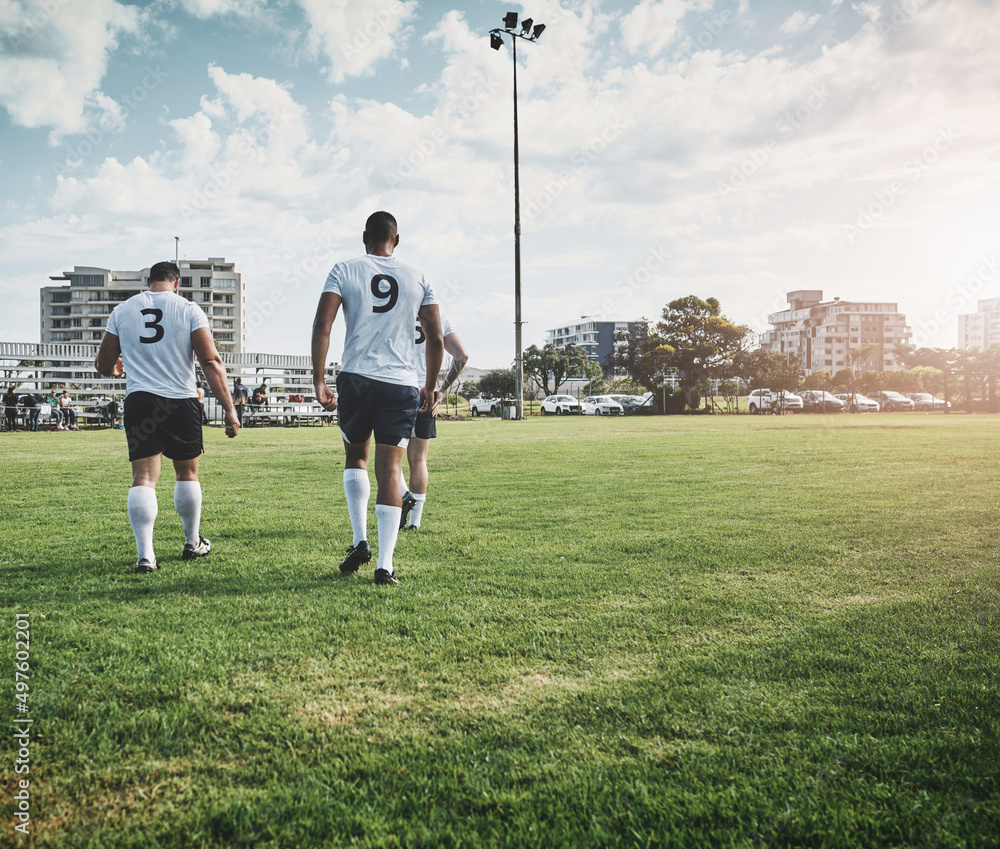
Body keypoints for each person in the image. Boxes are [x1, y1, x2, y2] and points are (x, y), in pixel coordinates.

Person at [311, 211, 443, 585]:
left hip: (356, 379)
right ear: (396, 240)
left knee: (356, 456)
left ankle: (359, 540)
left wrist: (320, 379)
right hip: (401, 382)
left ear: (364, 236)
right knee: (391, 471)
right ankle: (385, 565)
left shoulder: (344, 269)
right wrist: (429, 385)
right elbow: (435, 338)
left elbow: (324, 324)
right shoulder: (419, 276)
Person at [95, 260, 240, 574]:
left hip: (141, 399)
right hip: (180, 399)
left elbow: (103, 363)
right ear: (177, 283)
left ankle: (146, 556)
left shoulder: (122, 310)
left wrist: (114, 368)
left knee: (143, 477)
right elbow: (210, 361)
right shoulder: (188, 309)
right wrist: (229, 409)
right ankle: (191, 542)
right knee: (187, 473)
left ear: (150, 282)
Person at [399, 316, 469, 531]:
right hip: (425, 391)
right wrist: (442, 389)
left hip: (397, 388)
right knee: (419, 460)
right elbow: (462, 355)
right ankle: (415, 523)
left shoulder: (396, 309)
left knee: (389, 458)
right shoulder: (439, 318)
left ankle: (404, 494)